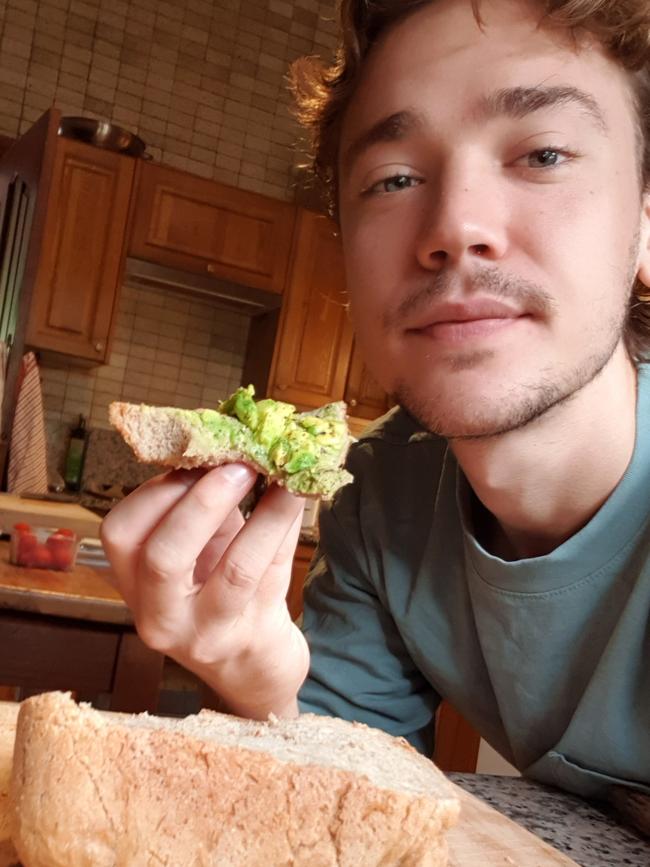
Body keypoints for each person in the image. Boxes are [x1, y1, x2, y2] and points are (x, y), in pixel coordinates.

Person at [102, 0, 650, 805]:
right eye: (393, 178)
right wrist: (261, 687)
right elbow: (346, 785)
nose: (455, 226)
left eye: (542, 154)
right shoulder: (377, 492)